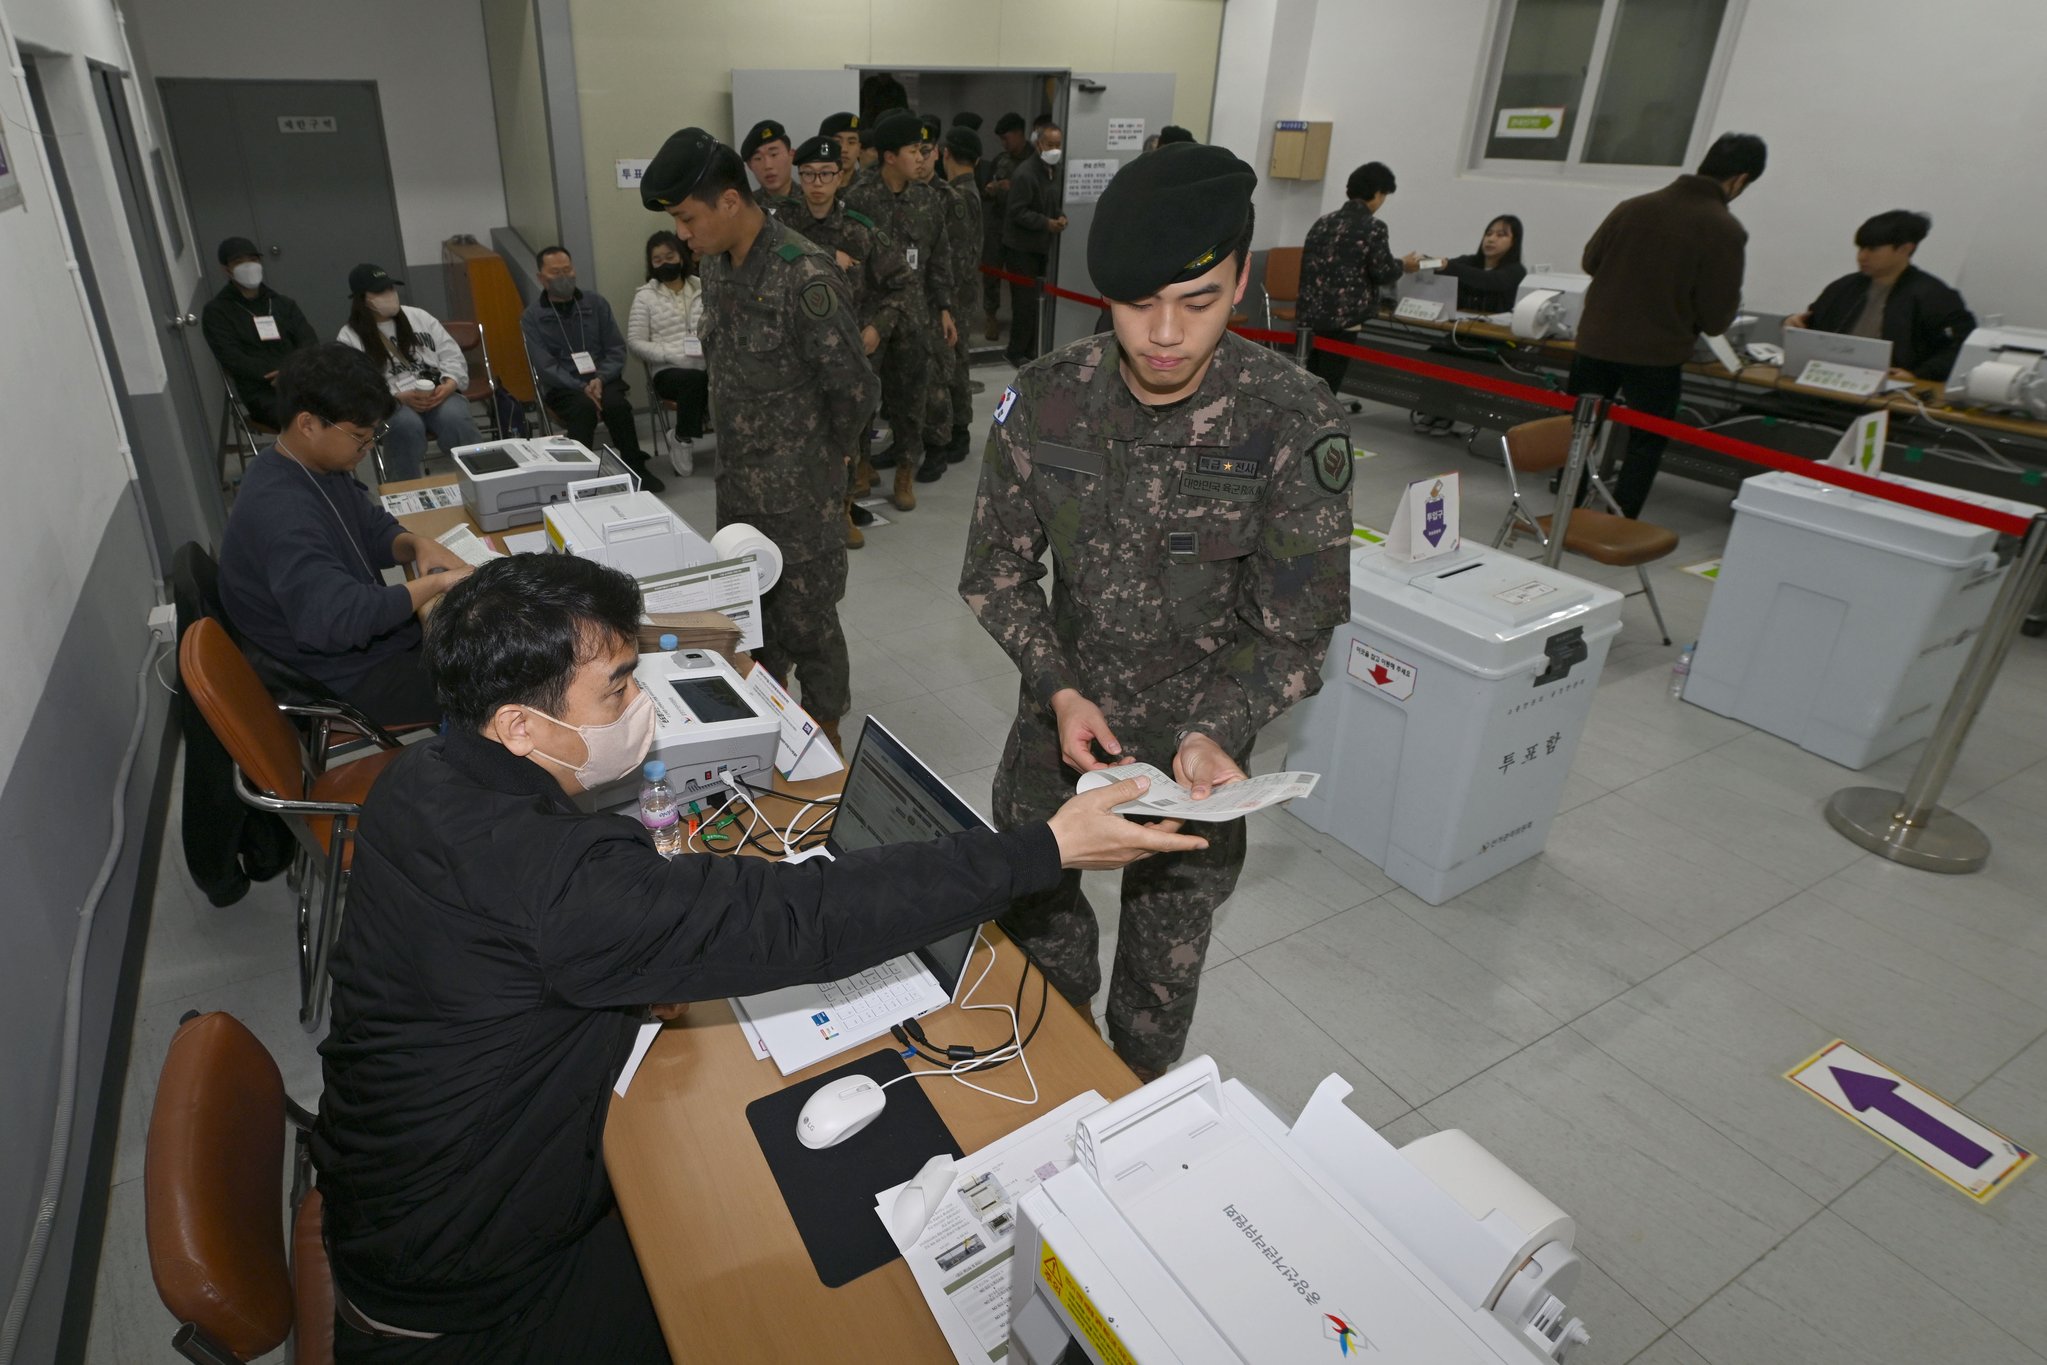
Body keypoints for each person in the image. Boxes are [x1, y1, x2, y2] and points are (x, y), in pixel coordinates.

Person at [313, 550, 1204, 1364]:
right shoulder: (561, 884)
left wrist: (633, 963)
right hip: (465, 1304)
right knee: (783, 1314)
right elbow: (803, 916)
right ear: (519, 724)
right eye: (617, 689)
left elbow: (504, 955)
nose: (640, 706)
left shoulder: (423, 778)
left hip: (403, 1212)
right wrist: (1044, 848)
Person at [959, 143, 1354, 1080]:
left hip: (1198, 771)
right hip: (1055, 750)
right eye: (1139, 305)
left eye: (1201, 301)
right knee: (1042, 973)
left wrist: (1217, 728)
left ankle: (1128, 1120)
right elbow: (996, 574)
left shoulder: (1290, 418)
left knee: (1156, 996)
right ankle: (1051, 1108)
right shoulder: (1047, 401)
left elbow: (1295, 627)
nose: (1166, 334)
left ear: (1242, 280)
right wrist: (1057, 690)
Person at [641, 128, 877, 750]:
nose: (683, 235)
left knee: (810, 623)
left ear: (728, 202)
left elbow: (855, 387)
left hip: (802, 494)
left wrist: (831, 463)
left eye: (689, 218)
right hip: (740, 488)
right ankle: (766, 725)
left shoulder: (805, 275)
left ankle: (825, 734)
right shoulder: (718, 269)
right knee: (750, 618)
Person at [217, 344, 471, 728]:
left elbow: (368, 525)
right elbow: (338, 619)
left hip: (360, 646)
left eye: (372, 435)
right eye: (359, 436)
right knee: (491, 684)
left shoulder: (316, 465)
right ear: (308, 424)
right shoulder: (281, 512)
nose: (367, 449)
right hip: (339, 676)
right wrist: (435, 584)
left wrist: (415, 544)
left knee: (476, 640)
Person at [1573, 131, 1764, 518]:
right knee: (1645, 440)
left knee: (1578, 429)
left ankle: (1567, 502)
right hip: (1655, 356)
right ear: (1740, 179)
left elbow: (1591, 262)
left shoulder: (1632, 207)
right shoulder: (1724, 228)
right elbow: (1715, 318)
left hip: (1595, 343)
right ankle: (1621, 519)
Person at [770, 134, 917, 545]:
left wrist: (877, 327)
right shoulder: (778, 225)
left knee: (847, 433)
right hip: (793, 352)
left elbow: (901, 284)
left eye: (826, 174)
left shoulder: (861, 229)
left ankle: (843, 508)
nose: (817, 183)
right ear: (800, 177)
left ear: (840, 176)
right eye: (809, 174)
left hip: (846, 352)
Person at [843, 110, 959, 501]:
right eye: (914, 150)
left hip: (915, 314)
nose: (922, 158)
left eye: (924, 150)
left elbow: (939, 258)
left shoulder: (928, 200)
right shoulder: (858, 197)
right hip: (870, 314)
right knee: (862, 394)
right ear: (890, 156)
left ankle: (906, 470)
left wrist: (944, 307)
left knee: (911, 396)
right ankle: (861, 465)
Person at [520, 245, 663, 493]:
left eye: (568, 269)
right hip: (563, 386)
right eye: (555, 272)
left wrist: (600, 378)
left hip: (603, 379)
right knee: (583, 409)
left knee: (617, 405)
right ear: (541, 278)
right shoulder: (532, 316)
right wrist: (580, 386)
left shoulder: (596, 303)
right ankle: (579, 477)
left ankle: (635, 466)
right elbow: (545, 365)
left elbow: (616, 348)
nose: (564, 276)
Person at [1785, 209, 1975, 382]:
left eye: (1872, 249)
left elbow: (1961, 346)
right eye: (1860, 249)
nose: (1862, 257)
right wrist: (1792, 323)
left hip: (1891, 389)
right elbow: (1812, 323)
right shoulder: (1845, 286)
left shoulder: (1934, 295)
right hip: (1829, 378)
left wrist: (1918, 375)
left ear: (1905, 249)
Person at [333, 263, 481, 482]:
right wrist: (396, 398)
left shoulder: (419, 317)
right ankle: (405, 490)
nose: (389, 295)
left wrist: (449, 384)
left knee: (455, 418)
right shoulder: (350, 336)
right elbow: (355, 387)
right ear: (363, 298)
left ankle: (482, 475)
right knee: (405, 425)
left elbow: (452, 355)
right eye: (380, 291)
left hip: (437, 393)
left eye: (391, 289)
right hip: (391, 403)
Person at [1296, 161, 1419, 395]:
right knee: (1331, 380)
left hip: (1311, 314)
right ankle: (1325, 425)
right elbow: (1382, 272)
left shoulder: (1323, 223)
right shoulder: (1373, 227)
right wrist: (1404, 264)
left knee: (1311, 377)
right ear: (1377, 193)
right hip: (1346, 316)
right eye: (1383, 196)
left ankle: (1305, 421)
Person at [201, 235, 318, 429]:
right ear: (226, 269)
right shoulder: (217, 312)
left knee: (341, 409)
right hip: (261, 391)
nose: (248, 267)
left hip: (301, 381)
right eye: (239, 262)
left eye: (253, 260)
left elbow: (309, 341)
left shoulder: (282, 303)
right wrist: (275, 375)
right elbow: (232, 357)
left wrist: (290, 373)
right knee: (304, 421)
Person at [625, 231, 710, 477]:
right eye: (657, 259)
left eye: (669, 256)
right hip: (667, 372)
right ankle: (682, 440)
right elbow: (635, 343)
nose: (664, 263)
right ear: (651, 265)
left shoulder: (704, 288)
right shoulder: (645, 297)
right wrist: (671, 353)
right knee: (695, 381)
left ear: (681, 258)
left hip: (706, 366)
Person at [937, 125, 986, 462]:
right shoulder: (971, 190)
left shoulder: (958, 196)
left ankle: (959, 430)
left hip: (956, 293)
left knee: (955, 362)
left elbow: (957, 255)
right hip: (963, 291)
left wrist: (946, 302)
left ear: (945, 154)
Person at [1002, 122, 1067, 368]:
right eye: (1050, 145)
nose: (1055, 150)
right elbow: (1017, 212)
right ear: (1038, 144)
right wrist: (1045, 223)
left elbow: (1052, 201)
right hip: (1021, 248)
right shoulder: (1025, 173)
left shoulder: (1055, 170)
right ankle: (1016, 352)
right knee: (1024, 304)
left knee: (1035, 302)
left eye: (1058, 145)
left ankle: (1031, 349)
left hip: (1041, 246)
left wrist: (1060, 216)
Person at [981, 113, 1030, 341]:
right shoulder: (1001, 160)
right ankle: (991, 316)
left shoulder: (1034, 161)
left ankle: (1020, 324)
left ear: (1020, 134)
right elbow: (987, 192)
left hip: (1021, 230)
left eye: (1006, 138)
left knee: (1018, 279)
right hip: (997, 224)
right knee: (991, 272)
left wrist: (1013, 188)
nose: (1004, 143)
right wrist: (992, 189)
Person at [1437, 214, 1527, 313]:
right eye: (1488, 234)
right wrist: (1423, 261)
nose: (1491, 239)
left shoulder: (1516, 271)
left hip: (1494, 328)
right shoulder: (1469, 261)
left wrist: (1447, 266)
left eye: (1500, 235)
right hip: (1459, 325)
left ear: (1514, 242)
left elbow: (1490, 280)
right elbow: (1443, 267)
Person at [740, 118, 796, 210]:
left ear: (791, 155)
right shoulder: (746, 207)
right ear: (750, 166)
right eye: (758, 158)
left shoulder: (815, 200)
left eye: (774, 154)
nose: (768, 166)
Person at [819, 110, 861, 179]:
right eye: (837, 142)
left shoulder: (871, 188)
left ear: (860, 149)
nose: (844, 149)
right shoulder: (809, 187)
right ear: (824, 148)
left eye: (851, 142)